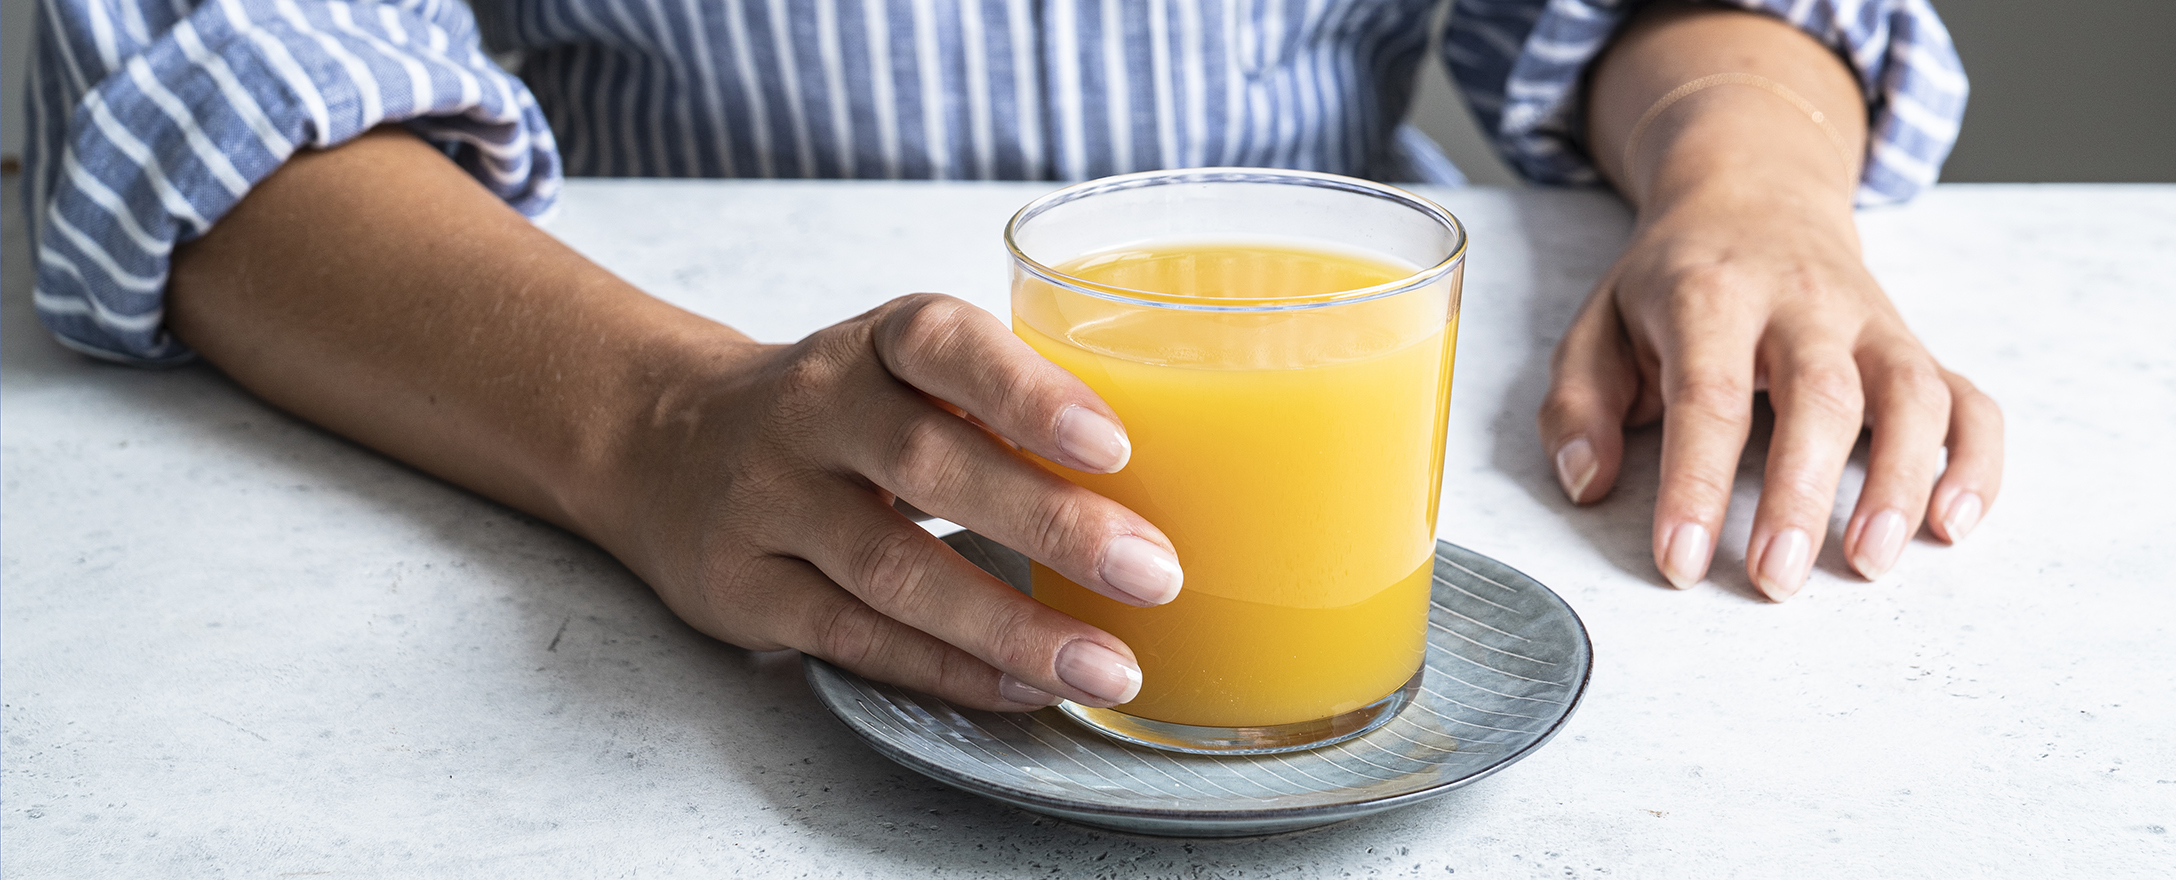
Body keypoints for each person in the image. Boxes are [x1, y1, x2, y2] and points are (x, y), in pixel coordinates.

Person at [23, 0, 2002, 714]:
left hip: (1350, 375)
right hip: (653, 367)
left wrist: (1744, 176)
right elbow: (199, 68)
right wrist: (643, 419)